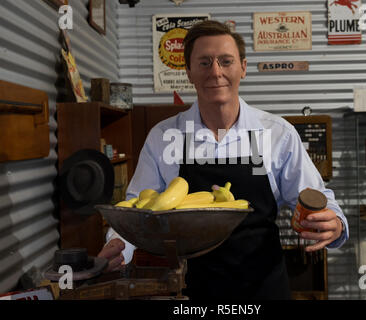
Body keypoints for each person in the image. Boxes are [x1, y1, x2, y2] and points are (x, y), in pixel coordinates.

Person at [98, 20, 348, 300]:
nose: (216, 72)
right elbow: (137, 213)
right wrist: (117, 246)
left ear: (243, 67)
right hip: (188, 290)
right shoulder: (165, 136)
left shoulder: (276, 133)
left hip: (262, 287)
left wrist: (335, 223)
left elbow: (316, 196)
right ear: (188, 71)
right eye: (204, 63)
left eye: (226, 61)